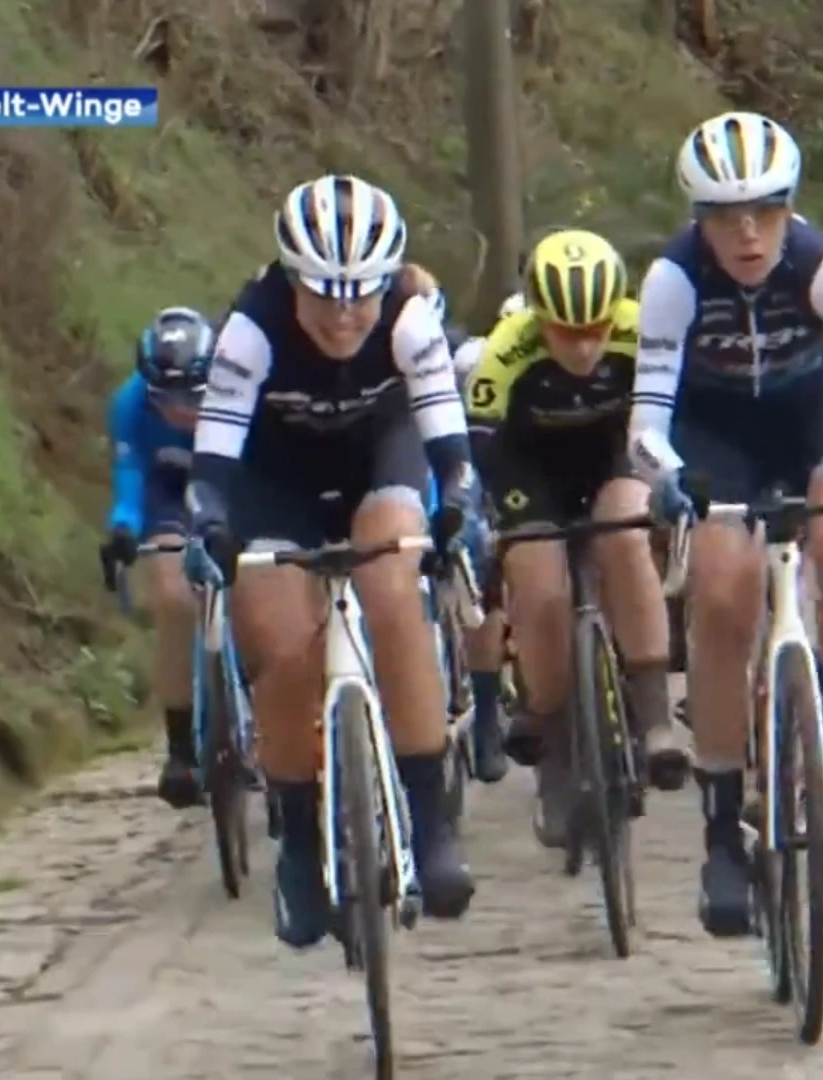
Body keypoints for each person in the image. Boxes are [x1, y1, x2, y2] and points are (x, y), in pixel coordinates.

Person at [628, 110, 823, 938]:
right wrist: (670, 477)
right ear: (699, 219)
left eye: (765, 211)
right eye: (725, 216)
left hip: (815, 419)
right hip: (717, 434)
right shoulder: (674, 280)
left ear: (791, 207)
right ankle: (723, 829)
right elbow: (645, 419)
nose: (748, 233)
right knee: (722, 594)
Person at [187, 174, 488, 949]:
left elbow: (449, 445)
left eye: (362, 293)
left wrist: (461, 505)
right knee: (284, 652)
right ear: (290, 279)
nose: (346, 313)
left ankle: (429, 822)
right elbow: (215, 457)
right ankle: (299, 842)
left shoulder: (410, 320)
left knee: (394, 597)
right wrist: (207, 522)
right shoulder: (250, 330)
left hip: (377, 463)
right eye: (324, 295)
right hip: (273, 483)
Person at [464, 229, 690, 848]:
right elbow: (480, 440)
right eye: (567, 331)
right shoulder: (507, 351)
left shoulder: (641, 331)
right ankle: (557, 755)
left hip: (615, 457)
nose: (587, 344)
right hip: (529, 471)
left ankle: (654, 717)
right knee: (540, 593)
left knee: (625, 538)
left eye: (596, 326)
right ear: (539, 318)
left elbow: (678, 413)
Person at [101, 307, 217, 808]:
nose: (181, 410)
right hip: (167, 494)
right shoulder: (128, 405)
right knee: (173, 601)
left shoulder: (241, 392)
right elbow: (130, 480)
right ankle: (181, 749)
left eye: (193, 395)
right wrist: (123, 527)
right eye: (166, 398)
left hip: (229, 484)